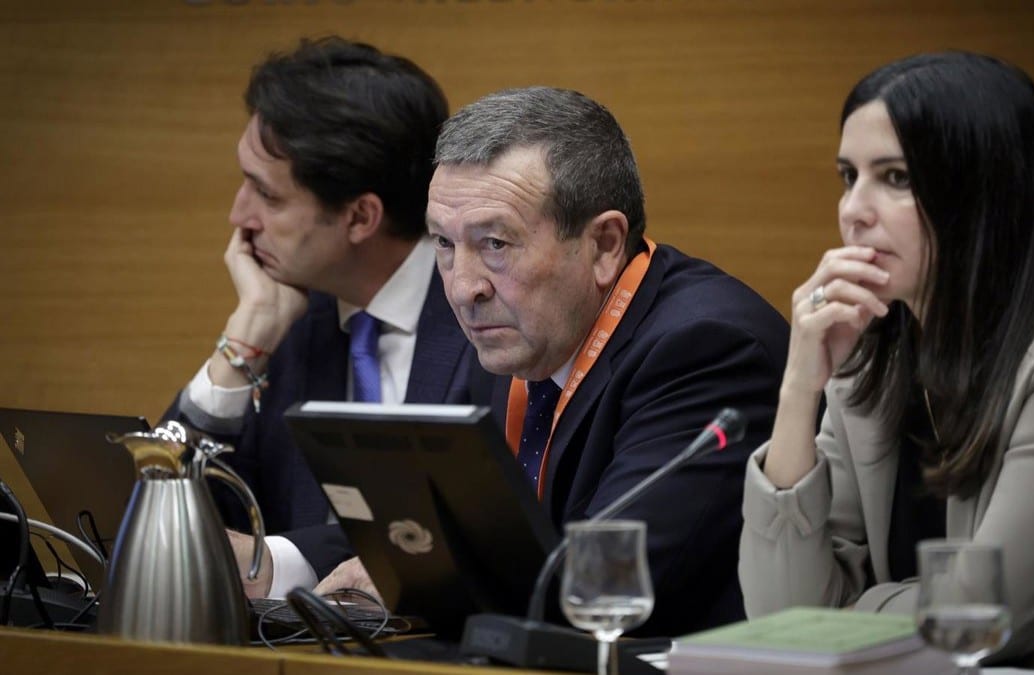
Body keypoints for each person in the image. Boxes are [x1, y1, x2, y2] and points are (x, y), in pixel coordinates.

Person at [738, 51, 1034, 673]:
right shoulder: (871, 360)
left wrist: (850, 612)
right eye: (849, 176)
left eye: (895, 177)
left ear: (980, 191)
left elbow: (975, 626)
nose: (854, 210)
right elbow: (778, 621)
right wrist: (800, 385)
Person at [326, 86, 790, 635]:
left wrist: (416, 579)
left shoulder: (708, 351)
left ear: (604, 245)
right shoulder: (512, 333)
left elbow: (605, 583)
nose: (462, 287)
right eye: (444, 245)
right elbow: (423, 519)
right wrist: (272, 560)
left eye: (495, 243)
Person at [162, 36, 483, 599]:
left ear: (360, 216)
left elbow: (459, 530)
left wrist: (284, 558)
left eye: (267, 195)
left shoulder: (489, 321)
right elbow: (166, 519)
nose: (239, 216)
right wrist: (245, 339)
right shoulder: (289, 321)